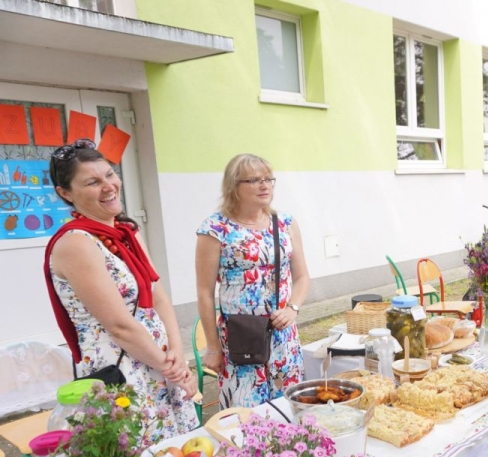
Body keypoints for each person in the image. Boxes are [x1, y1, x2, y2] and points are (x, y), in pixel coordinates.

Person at [43, 139, 198, 438]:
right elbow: (119, 326)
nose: (109, 186)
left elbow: (158, 296)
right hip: (120, 369)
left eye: (109, 174)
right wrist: (173, 369)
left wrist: (178, 352)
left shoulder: (126, 233)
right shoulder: (76, 244)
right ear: (65, 193)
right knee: (141, 451)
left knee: (178, 450)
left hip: (160, 360)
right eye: (92, 182)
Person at [195, 153, 310, 408]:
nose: (265, 185)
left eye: (269, 179)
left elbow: (302, 277)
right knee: (246, 414)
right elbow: (204, 292)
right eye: (255, 180)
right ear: (234, 186)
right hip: (241, 338)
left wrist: (292, 308)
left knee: (290, 407)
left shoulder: (285, 223)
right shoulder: (215, 229)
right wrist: (213, 347)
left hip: (282, 335)